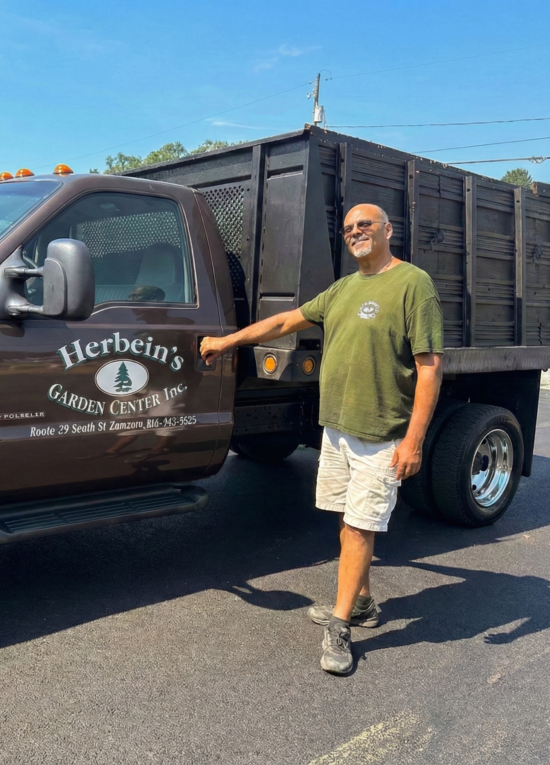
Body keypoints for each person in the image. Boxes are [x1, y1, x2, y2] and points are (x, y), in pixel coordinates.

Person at [200, 204, 444, 675]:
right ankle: (363, 603)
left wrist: (414, 441)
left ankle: (339, 624)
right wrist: (227, 342)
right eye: (350, 228)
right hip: (338, 428)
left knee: (359, 526)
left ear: (388, 230)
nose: (356, 232)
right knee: (349, 518)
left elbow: (430, 367)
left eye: (365, 225)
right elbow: (284, 322)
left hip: (381, 433)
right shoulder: (343, 289)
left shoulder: (412, 284)